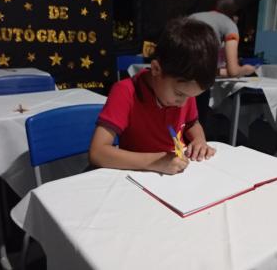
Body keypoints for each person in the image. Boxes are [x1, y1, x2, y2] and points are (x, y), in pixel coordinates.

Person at [89, 17, 219, 175]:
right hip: (137, 179)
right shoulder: (126, 92)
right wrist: (155, 162)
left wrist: (199, 140)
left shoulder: (184, 90)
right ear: (156, 69)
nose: (183, 103)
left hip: (179, 175)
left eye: (192, 96)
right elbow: (97, 153)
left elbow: (192, 124)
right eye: (179, 94)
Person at [189, 0, 256, 128]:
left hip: (178, 69)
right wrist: (246, 70)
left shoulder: (195, 16)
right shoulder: (230, 25)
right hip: (197, 79)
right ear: (235, 15)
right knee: (195, 120)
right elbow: (233, 70)